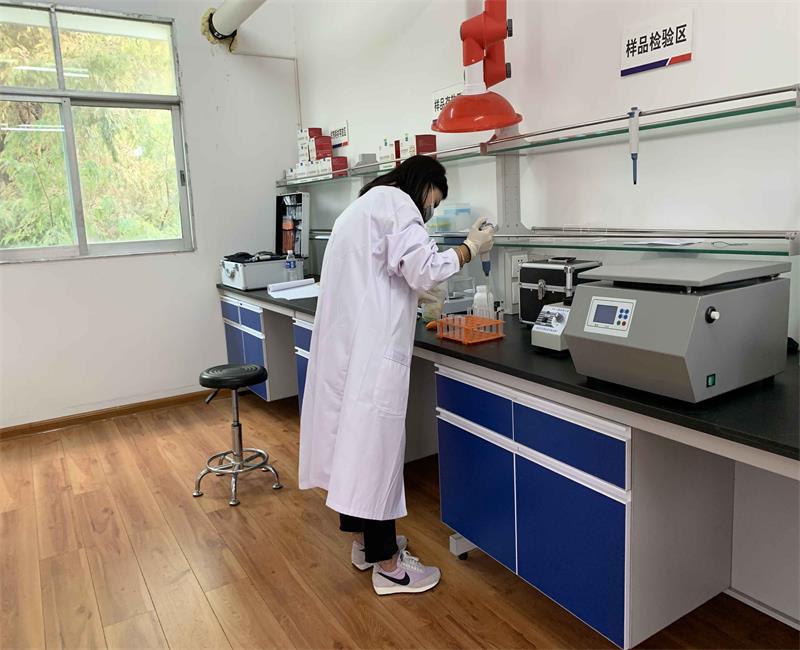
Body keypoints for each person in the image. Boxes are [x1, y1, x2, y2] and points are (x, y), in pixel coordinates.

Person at [298, 155, 494, 595]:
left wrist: (417, 294)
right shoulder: (398, 204)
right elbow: (424, 267)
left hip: (350, 351)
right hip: (371, 356)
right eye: (434, 202)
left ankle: (365, 545)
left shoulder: (364, 206)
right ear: (422, 185)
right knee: (373, 458)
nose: (431, 211)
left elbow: (389, 272)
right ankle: (390, 567)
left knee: (355, 454)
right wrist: (470, 247)